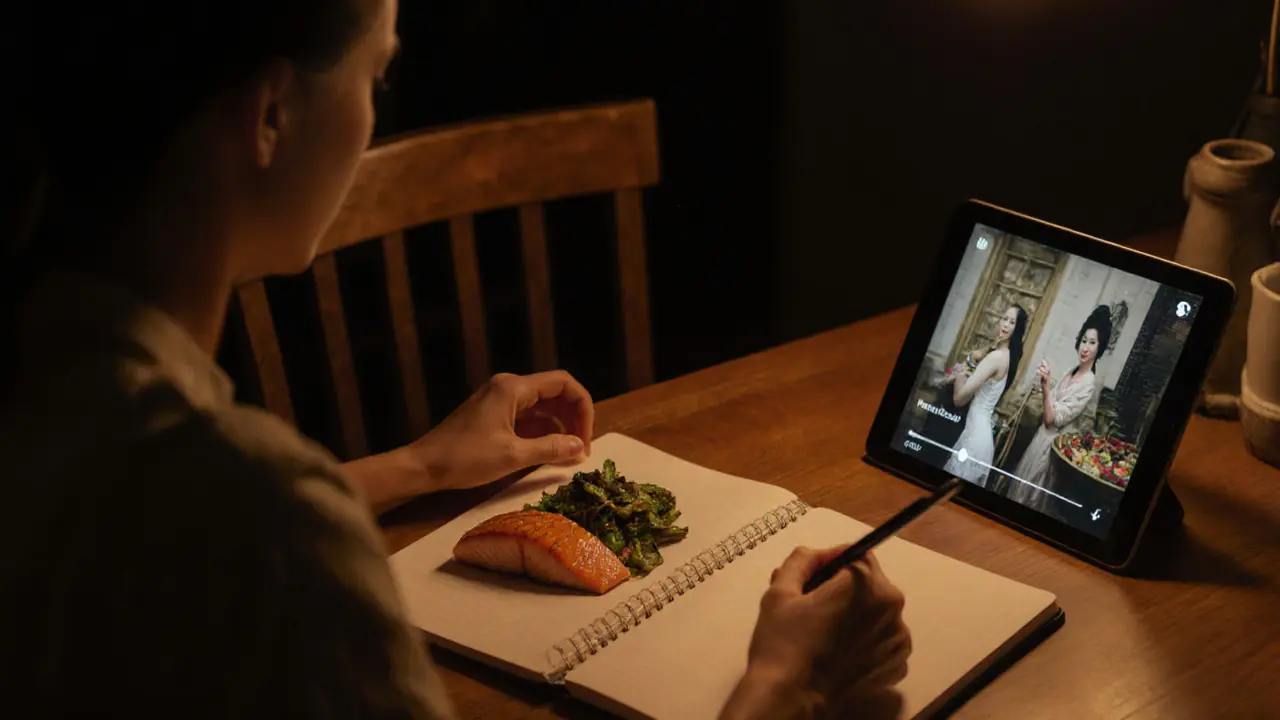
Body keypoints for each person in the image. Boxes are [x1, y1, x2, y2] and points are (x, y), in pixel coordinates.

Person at [0, 2, 910, 718]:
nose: (373, 117)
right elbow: (230, 524)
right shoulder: (268, 524)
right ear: (272, 113)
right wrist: (790, 688)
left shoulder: (51, 377)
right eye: (378, 75)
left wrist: (420, 466)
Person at [1007, 305, 1112, 511]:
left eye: (1092, 343)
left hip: (1050, 449)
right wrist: (1045, 388)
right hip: (1039, 439)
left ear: (1099, 348)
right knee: (1018, 487)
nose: (1085, 347)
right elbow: (1050, 408)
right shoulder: (1070, 371)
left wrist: (1046, 387)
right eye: (1084, 340)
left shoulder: (1088, 384)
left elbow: (1051, 419)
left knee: (1029, 499)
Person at [941, 305, 1028, 487]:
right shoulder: (1008, 356)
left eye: (1012, 322)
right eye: (1004, 318)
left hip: (975, 439)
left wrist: (961, 368)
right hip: (981, 437)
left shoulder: (996, 357)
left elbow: (959, 399)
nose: (1005, 324)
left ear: (1017, 329)